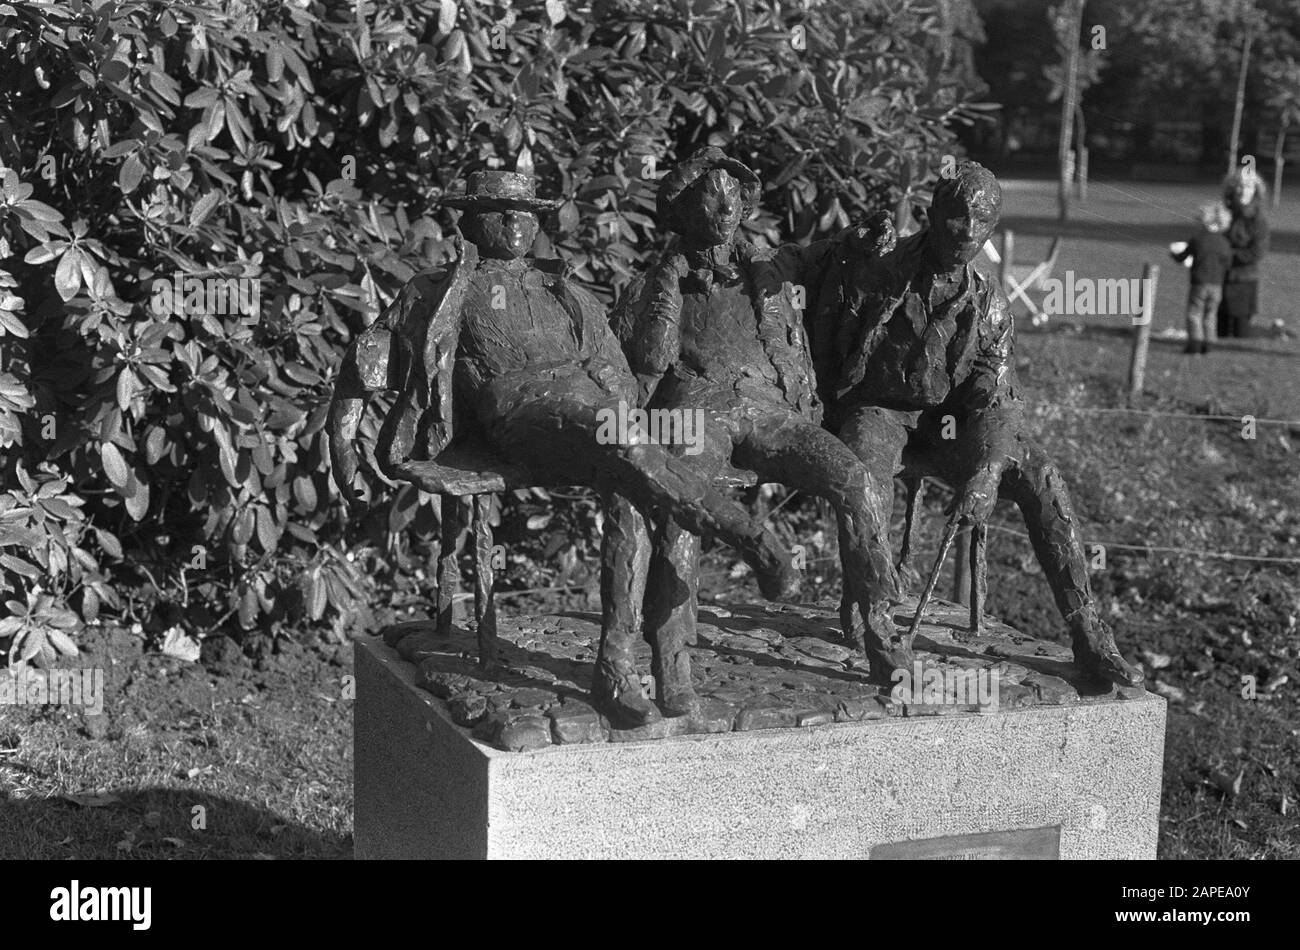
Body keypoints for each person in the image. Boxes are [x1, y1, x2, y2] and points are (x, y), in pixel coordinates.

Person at [327, 170, 797, 726]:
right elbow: (369, 359)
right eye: (501, 214)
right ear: (471, 222)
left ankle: (617, 665)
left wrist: (618, 402)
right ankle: (749, 537)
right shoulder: (438, 288)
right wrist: (343, 438)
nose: (517, 225)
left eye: (526, 214)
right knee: (627, 447)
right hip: (517, 411)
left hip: (593, 415)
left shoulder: (565, 290)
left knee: (631, 482)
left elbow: (616, 369)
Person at [802, 161, 1143, 688]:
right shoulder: (882, 264)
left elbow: (998, 399)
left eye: (980, 223)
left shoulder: (989, 305)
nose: (967, 232)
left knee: (1040, 474)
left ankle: (1088, 633)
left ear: (991, 231)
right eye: (957, 217)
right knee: (864, 472)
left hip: (946, 424)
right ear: (933, 214)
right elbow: (817, 267)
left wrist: (985, 472)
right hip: (880, 409)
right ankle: (874, 617)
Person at [613, 147, 908, 712]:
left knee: (856, 480)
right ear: (684, 212)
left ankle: (879, 629)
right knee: (684, 504)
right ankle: (670, 654)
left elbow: (822, 253)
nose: (724, 209)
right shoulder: (658, 281)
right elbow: (649, 361)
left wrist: (863, 235)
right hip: (697, 408)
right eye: (709, 199)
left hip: (768, 410)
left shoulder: (767, 267)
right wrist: (671, 283)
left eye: (732, 199)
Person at [1171, 202, 1233, 354]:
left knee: (1194, 313)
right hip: (1217, 285)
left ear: (1205, 221)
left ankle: (1195, 344)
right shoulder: (1225, 243)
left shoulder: (1197, 240)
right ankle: (1209, 343)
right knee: (1210, 314)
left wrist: (1173, 253)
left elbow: (1182, 257)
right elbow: (1228, 263)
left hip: (1199, 283)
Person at [1216, 167, 1269, 339]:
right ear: (1231, 189)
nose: (1243, 190)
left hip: (1244, 280)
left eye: (1248, 186)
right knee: (1219, 331)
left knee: (1241, 333)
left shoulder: (1258, 219)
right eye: (1238, 186)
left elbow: (1257, 252)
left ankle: (1275, 333)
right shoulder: (1221, 214)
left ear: (1255, 190)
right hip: (1219, 278)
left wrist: (1227, 257)